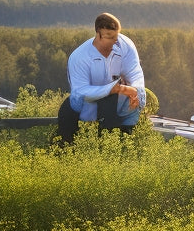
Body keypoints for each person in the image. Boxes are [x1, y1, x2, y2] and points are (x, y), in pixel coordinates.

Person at [58, 12, 146, 142]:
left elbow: (134, 72)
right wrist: (116, 89)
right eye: (110, 37)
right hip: (81, 111)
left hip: (113, 106)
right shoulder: (79, 57)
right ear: (98, 35)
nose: (115, 41)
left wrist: (136, 92)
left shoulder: (125, 45)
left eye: (116, 36)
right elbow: (81, 92)